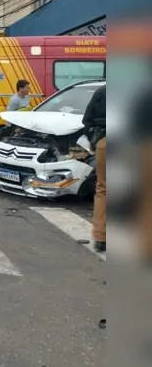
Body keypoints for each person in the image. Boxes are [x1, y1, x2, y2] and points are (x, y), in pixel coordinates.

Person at [82, 84, 106, 252]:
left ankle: (101, 238)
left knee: (104, 189)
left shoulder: (102, 91)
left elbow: (87, 121)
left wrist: (95, 140)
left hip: (105, 141)